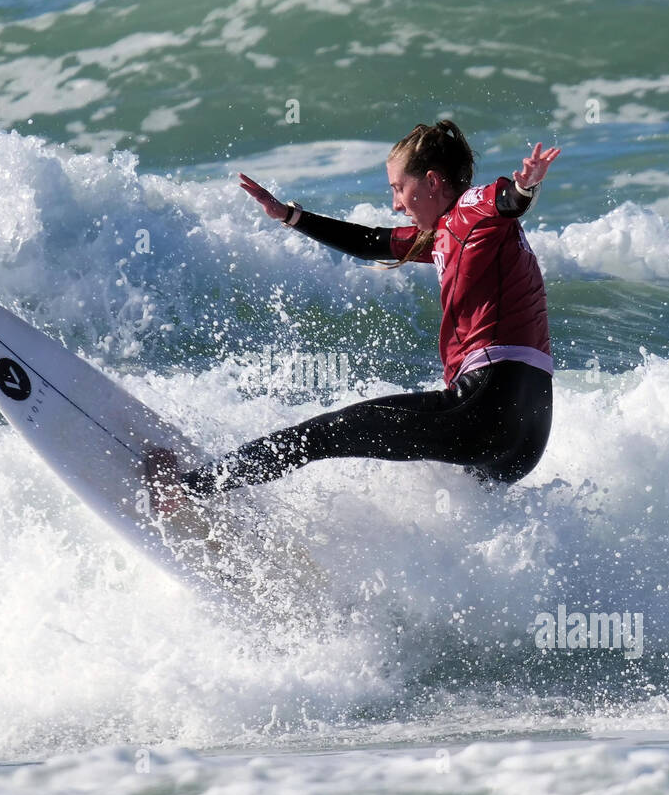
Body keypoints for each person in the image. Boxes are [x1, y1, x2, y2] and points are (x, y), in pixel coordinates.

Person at [146, 120, 560, 516]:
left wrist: (525, 185)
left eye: (400, 188)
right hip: (529, 430)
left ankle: (185, 490)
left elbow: (506, 202)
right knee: (457, 507)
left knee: (323, 435)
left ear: (433, 181)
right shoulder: (444, 234)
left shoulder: (471, 209)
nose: (396, 202)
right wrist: (291, 216)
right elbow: (372, 242)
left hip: (488, 401)